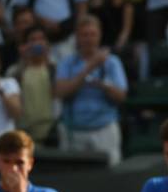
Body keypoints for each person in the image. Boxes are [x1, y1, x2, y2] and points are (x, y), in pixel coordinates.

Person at [53, 15, 125, 164]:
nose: (88, 39)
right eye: (84, 35)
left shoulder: (112, 62)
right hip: (74, 131)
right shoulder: (67, 63)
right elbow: (60, 92)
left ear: (99, 36)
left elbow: (121, 96)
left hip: (104, 129)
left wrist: (103, 85)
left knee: (111, 174)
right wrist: (90, 67)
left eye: (92, 34)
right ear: (77, 37)